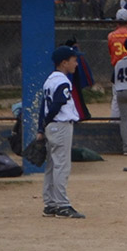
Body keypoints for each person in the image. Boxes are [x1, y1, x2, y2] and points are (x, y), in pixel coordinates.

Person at [38, 46, 85, 218]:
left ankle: (50, 204)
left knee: (52, 165)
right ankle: (62, 205)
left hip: (52, 127)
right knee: (61, 166)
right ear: (64, 63)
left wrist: (42, 127)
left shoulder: (49, 80)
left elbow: (43, 106)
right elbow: (56, 105)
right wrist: (48, 121)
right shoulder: (63, 82)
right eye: (74, 60)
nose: (76, 63)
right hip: (60, 126)